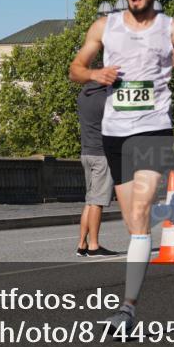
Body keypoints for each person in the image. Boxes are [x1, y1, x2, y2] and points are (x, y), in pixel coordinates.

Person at [69, 0, 174, 335]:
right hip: (115, 133)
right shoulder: (104, 26)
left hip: (153, 127)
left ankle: (127, 308)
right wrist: (95, 72)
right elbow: (75, 68)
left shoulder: (172, 30)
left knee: (140, 209)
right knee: (134, 224)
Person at [76, 80, 119, 257]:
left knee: (91, 200)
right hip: (102, 154)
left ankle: (82, 244)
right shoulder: (107, 99)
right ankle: (94, 245)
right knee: (98, 202)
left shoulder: (83, 95)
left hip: (86, 152)